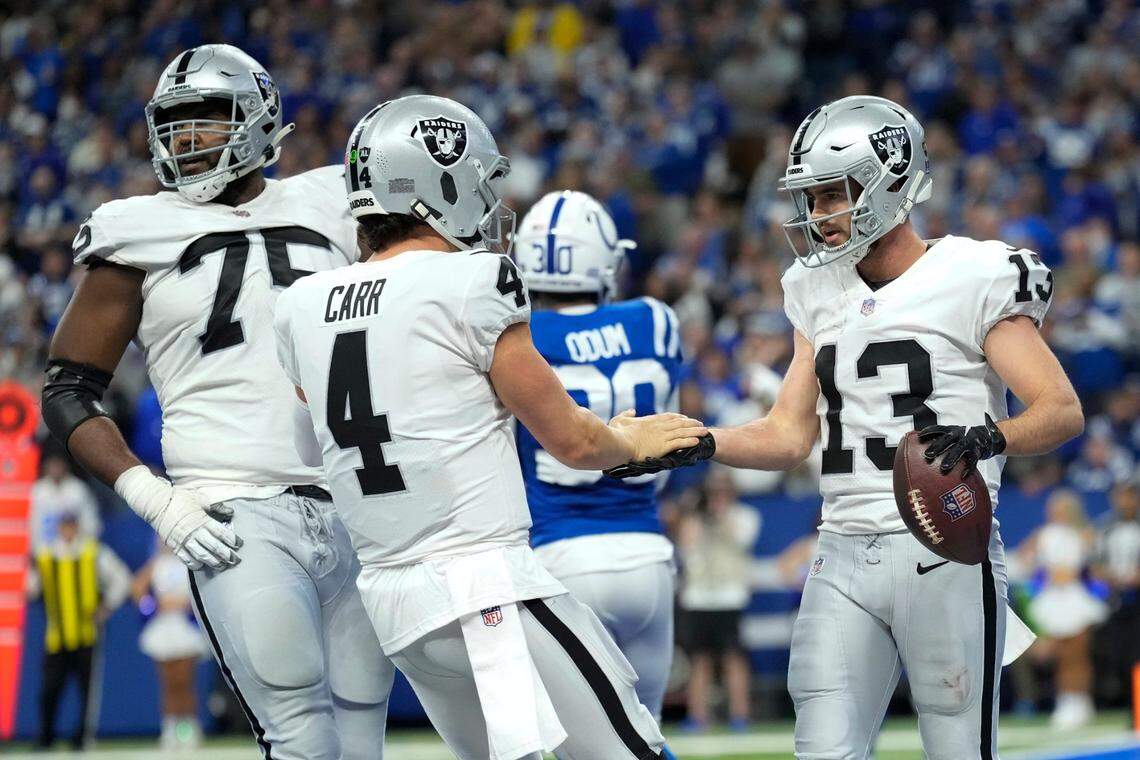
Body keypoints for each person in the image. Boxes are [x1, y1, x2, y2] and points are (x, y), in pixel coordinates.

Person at [274, 94, 709, 760]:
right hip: (488, 590)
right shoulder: (472, 280)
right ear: (435, 186)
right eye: (474, 182)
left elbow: (309, 447)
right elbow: (573, 440)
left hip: (397, 607)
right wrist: (633, 441)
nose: (486, 201)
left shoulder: (301, 303)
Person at [701, 95, 1084, 758]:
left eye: (832, 194)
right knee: (822, 748)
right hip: (840, 549)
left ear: (889, 182)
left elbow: (1060, 409)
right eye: (812, 198)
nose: (818, 213)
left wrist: (992, 437)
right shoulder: (812, 287)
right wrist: (700, 441)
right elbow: (789, 435)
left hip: (945, 547)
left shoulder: (972, 273)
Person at [40, 44, 393, 759]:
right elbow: (69, 390)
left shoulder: (335, 198)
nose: (187, 138)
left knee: (362, 740)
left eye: (206, 117)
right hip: (232, 509)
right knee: (300, 734)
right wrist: (153, 499)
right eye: (174, 123)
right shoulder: (135, 227)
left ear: (260, 118)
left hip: (357, 500)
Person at [512, 189, 682, 721]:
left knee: (585, 742)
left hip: (560, 553)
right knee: (645, 734)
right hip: (646, 552)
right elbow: (668, 429)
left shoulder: (517, 337)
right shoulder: (655, 320)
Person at [26, 512, 131, 749]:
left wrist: (107, 606)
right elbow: (30, 588)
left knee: (87, 690)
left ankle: (83, 737)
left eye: (71, 525)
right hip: (56, 634)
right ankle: (46, 736)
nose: (68, 530)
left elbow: (121, 578)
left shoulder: (93, 552)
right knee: (50, 688)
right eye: (64, 525)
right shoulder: (45, 554)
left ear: (77, 527)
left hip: (87, 632)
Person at [675, 468, 759, 732]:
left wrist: (721, 515)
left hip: (730, 596)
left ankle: (740, 716)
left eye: (722, 491)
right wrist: (693, 514)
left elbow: (741, 540)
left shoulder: (744, 515)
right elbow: (686, 548)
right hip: (698, 597)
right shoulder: (694, 519)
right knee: (699, 660)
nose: (718, 496)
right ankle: (697, 716)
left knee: (734, 658)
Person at [1018, 489, 1107, 728]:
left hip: (1076, 598)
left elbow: (1092, 564)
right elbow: (1024, 559)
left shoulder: (1084, 533)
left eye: (1062, 509)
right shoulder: (1043, 534)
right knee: (1062, 657)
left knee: (1077, 655)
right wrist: (1040, 572)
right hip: (1053, 599)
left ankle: (1081, 701)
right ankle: (1066, 701)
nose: (1057, 513)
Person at [132, 542, 211, 750]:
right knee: (168, 684)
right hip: (163, 628)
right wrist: (153, 606)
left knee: (184, 682)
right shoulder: (155, 564)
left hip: (185, 628)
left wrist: (188, 604)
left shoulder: (189, 563)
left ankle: (188, 730)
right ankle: (169, 729)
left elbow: (203, 589)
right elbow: (137, 587)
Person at [29, 452, 101, 549]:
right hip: (48, 549)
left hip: (76, 547)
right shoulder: (39, 490)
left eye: (58, 464)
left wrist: (86, 545)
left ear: (65, 465)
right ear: (46, 466)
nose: (55, 469)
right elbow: (35, 525)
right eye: (52, 464)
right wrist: (36, 548)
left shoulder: (78, 489)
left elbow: (91, 523)